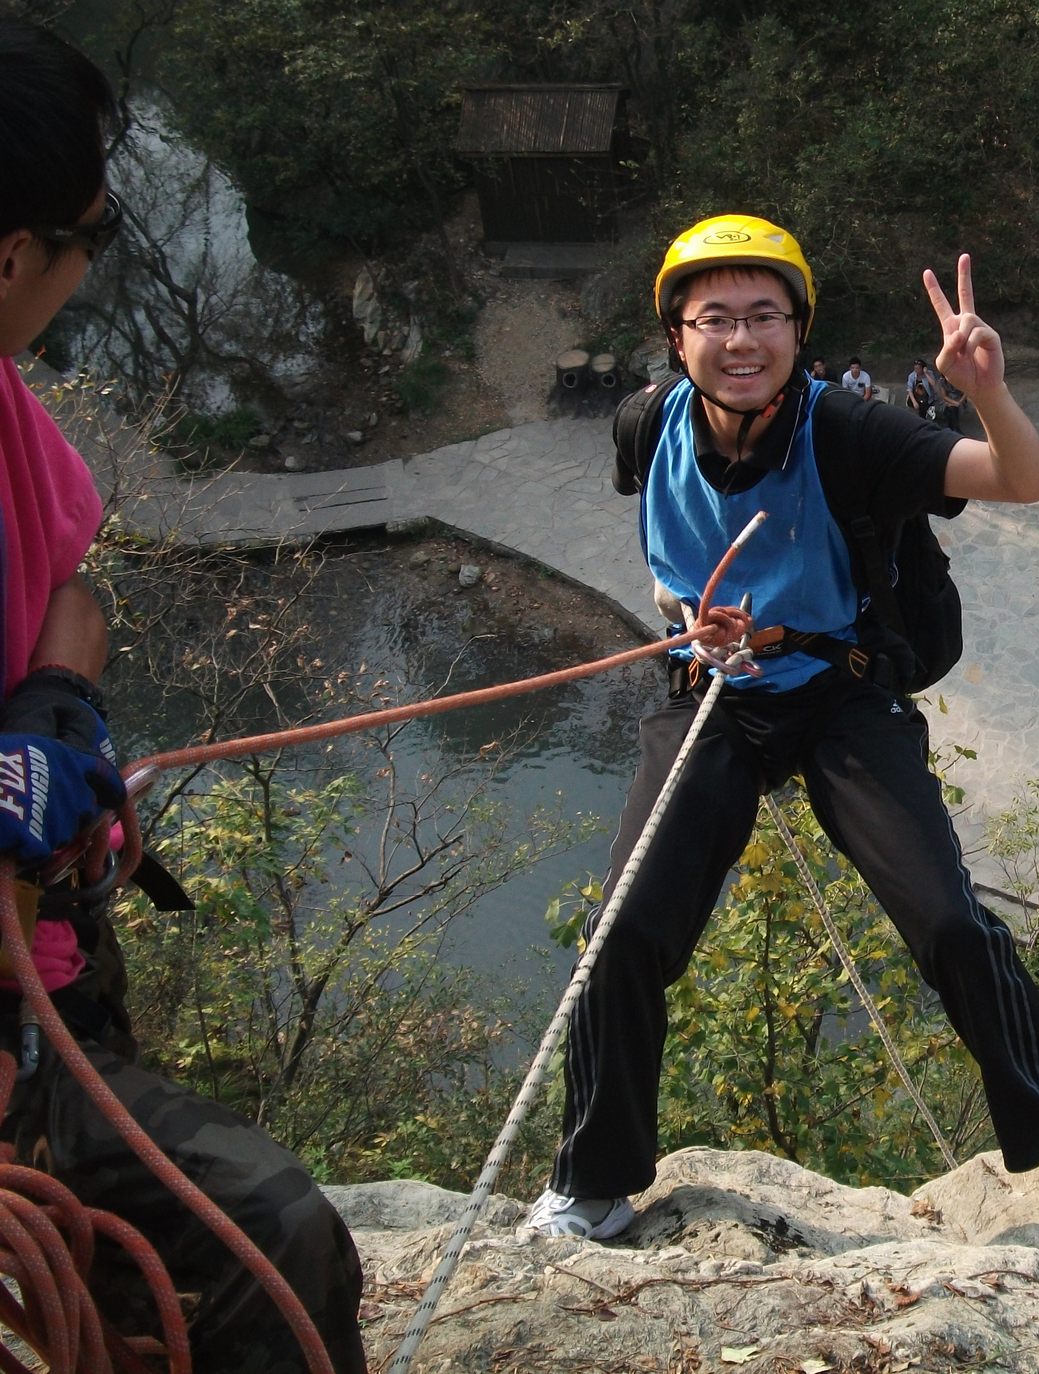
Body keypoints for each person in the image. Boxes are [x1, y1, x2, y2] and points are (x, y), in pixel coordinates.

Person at [526, 212, 1039, 1242]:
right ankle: (593, 1182)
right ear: (677, 336)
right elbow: (668, 553)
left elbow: (1022, 481)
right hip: (716, 692)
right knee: (624, 930)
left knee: (948, 921)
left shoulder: (850, 429)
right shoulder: (644, 426)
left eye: (764, 315)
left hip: (840, 691)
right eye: (715, 318)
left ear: (798, 330)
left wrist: (986, 391)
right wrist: (688, 616)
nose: (741, 339)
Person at [0, 20, 366, 1372]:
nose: (95, 261)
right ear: (13, 253)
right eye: (91, 233)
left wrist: (53, 702)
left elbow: (72, 582)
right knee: (275, 1242)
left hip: (50, 960)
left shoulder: (8, 407)